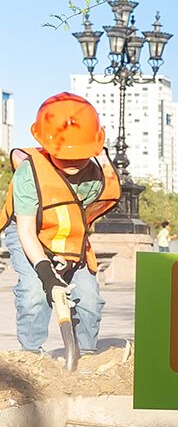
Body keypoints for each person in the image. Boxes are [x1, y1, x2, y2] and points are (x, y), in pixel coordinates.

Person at [0, 94, 119, 354]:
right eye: (64, 156)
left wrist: (66, 257)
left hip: (68, 236)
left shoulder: (97, 178)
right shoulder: (29, 173)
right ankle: (32, 356)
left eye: (81, 155)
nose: (73, 163)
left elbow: (79, 223)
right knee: (34, 291)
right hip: (29, 232)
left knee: (89, 299)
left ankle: (85, 355)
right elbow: (27, 231)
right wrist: (46, 272)